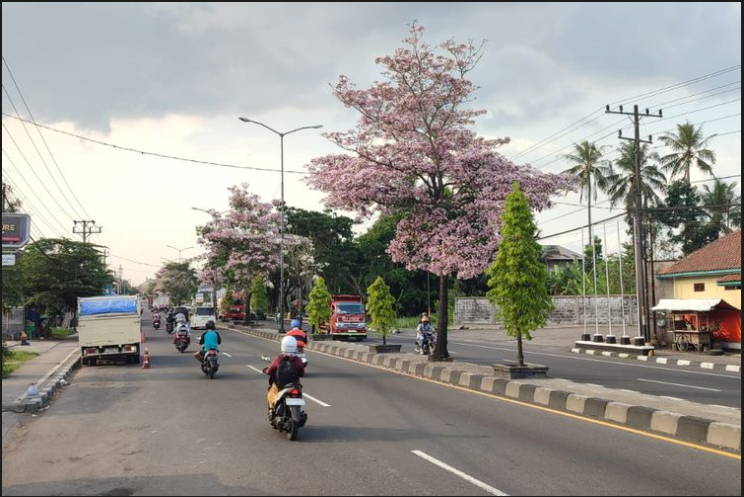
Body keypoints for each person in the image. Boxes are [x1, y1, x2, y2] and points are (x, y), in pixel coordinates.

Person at [264, 336, 305, 414]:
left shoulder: (278, 359)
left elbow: (269, 371)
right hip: (294, 385)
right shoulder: (298, 360)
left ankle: (271, 410)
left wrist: (265, 370)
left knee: (271, 392)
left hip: (280, 386)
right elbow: (302, 373)